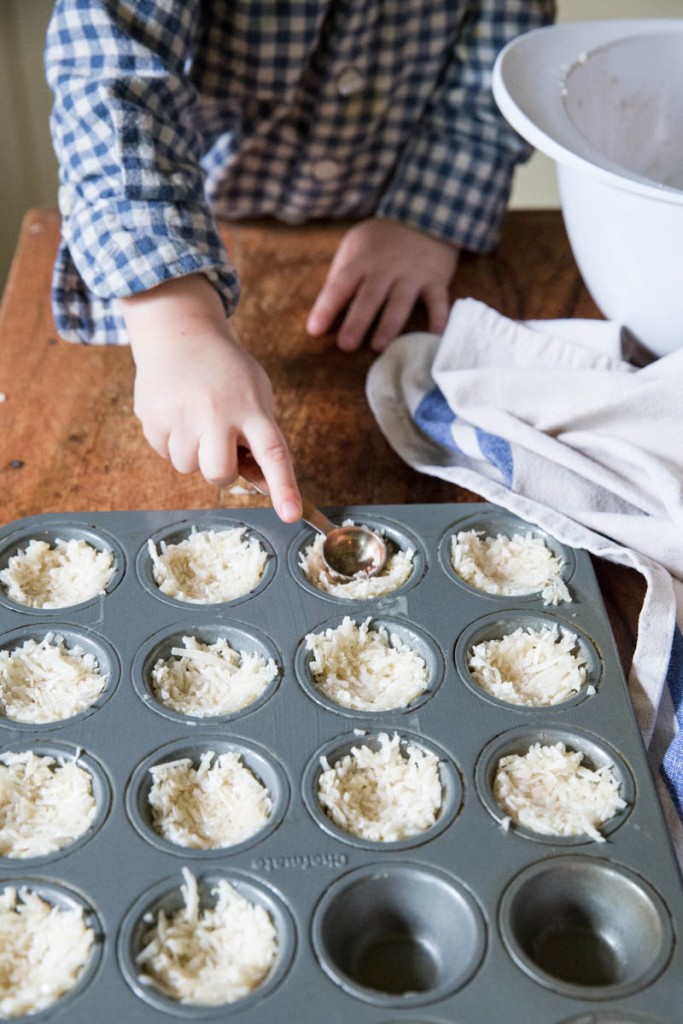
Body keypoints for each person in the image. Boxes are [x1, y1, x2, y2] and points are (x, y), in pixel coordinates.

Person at [44, 0, 554, 523]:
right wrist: (175, 322)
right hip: (191, 222)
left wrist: (431, 212)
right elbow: (108, 75)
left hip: (397, 203)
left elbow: (502, 55)